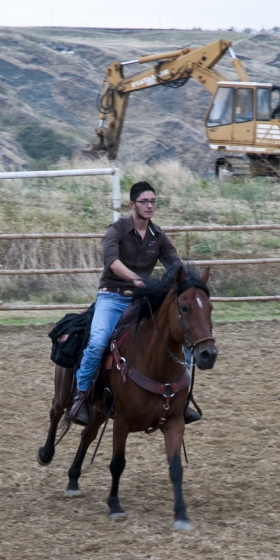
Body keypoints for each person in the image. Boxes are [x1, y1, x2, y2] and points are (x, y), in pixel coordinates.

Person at [70, 181, 202, 427]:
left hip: (141, 300)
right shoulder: (116, 230)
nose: (150, 206)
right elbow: (111, 261)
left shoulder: (157, 235)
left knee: (180, 341)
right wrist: (136, 279)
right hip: (112, 296)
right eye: (145, 201)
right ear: (132, 205)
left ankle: (182, 401)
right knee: (98, 340)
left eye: (153, 201)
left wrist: (189, 284)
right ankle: (82, 395)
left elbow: (175, 265)